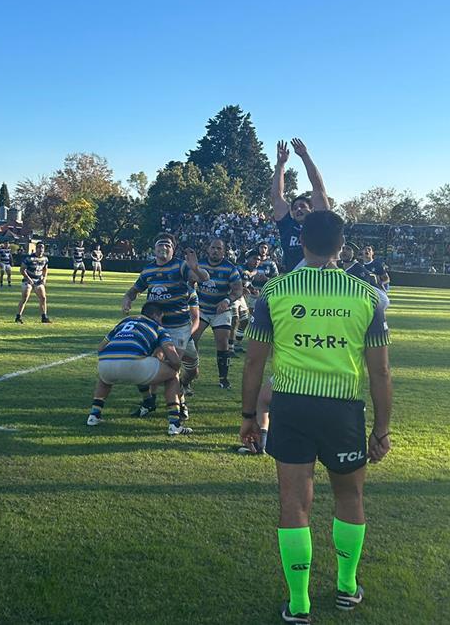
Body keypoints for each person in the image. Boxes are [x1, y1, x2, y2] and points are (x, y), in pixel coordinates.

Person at [239, 210, 392, 622]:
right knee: (349, 496)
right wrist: (381, 430)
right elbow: (380, 371)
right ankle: (346, 586)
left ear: (301, 242)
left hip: (290, 407)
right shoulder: (367, 295)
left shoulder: (275, 291)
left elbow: (253, 364)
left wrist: (249, 415)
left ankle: (300, 604)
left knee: (294, 504)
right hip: (343, 409)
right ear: (342, 247)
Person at [121, 233, 208, 416]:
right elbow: (134, 290)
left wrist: (196, 268)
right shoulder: (148, 271)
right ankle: (154, 402)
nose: (164, 247)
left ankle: (180, 398)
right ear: (154, 249)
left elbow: (203, 278)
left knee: (178, 367)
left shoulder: (180, 266)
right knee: (148, 361)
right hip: (154, 327)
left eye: (168, 244)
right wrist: (127, 299)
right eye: (160, 243)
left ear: (173, 249)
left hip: (178, 327)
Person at [86, 301, 192, 436]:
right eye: (161, 318)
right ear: (156, 315)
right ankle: (174, 424)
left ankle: (94, 415)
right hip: (135, 365)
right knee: (172, 375)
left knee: (105, 379)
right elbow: (174, 358)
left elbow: (100, 347)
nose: (162, 321)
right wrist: (175, 368)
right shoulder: (158, 328)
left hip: (105, 363)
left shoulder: (125, 321)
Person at [191, 237, 245, 389]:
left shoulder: (230, 268)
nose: (215, 251)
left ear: (224, 252)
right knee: (192, 338)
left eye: (219, 249)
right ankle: (192, 370)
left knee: (222, 343)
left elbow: (238, 290)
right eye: (213, 248)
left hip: (221, 310)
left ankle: (223, 378)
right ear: (208, 249)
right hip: (201, 308)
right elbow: (189, 283)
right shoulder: (199, 265)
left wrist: (227, 300)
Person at [270, 138, 332, 271]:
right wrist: (280, 164)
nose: (298, 209)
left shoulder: (320, 222)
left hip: (319, 282)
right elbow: (276, 197)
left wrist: (304, 156)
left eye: (303, 206)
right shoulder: (287, 226)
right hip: (295, 284)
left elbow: (318, 187)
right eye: (295, 208)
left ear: (312, 209)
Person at [16, 242, 51, 324]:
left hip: (38, 280)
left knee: (43, 298)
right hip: (28, 280)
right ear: (36, 248)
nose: (41, 249)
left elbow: (45, 269)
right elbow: (22, 270)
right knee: (25, 297)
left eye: (42, 248)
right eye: (39, 247)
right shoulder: (29, 258)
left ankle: (44, 317)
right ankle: (18, 316)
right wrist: (28, 279)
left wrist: (44, 278)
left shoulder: (45, 259)